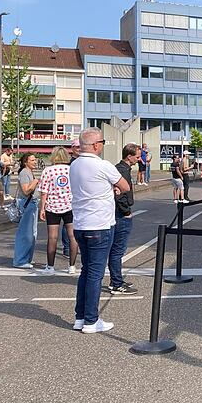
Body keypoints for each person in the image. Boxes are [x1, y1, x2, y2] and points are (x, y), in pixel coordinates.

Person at [70, 127, 130, 334]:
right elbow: (125, 186)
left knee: (86, 271)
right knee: (96, 274)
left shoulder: (75, 165)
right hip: (100, 225)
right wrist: (112, 188)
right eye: (102, 142)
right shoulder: (103, 165)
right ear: (96, 145)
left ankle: (80, 317)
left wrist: (107, 188)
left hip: (80, 224)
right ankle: (91, 320)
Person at [38, 147, 78, 275]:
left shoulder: (48, 171)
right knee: (72, 236)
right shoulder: (72, 169)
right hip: (70, 206)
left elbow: (44, 191)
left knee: (52, 237)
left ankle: (50, 267)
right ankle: (72, 266)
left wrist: (42, 208)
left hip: (53, 206)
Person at [107, 143, 140, 295]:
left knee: (116, 249)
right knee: (118, 249)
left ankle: (116, 279)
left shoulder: (120, 169)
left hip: (117, 212)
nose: (139, 160)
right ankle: (116, 283)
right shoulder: (122, 171)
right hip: (120, 214)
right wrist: (126, 211)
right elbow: (119, 195)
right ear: (129, 156)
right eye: (137, 157)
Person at [12, 153, 39, 268]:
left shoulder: (29, 172)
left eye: (35, 160)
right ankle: (20, 260)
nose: (35, 162)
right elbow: (26, 190)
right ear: (25, 162)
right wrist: (35, 182)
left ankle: (27, 258)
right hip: (27, 204)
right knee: (26, 233)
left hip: (32, 204)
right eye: (32, 160)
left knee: (31, 233)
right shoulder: (24, 173)